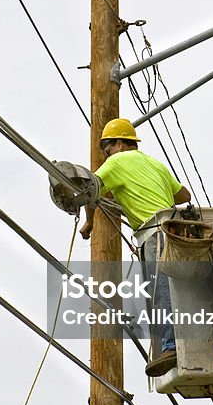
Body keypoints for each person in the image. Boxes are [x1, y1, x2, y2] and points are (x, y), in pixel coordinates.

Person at [80, 118, 191, 376]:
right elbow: (184, 195)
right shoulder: (154, 163)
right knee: (175, 290)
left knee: (160, 290)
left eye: (107, 147)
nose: (105, 153)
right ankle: (182, 343)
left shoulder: (116, 162)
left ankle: (171, 346)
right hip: (177, 231)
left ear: (119, 143)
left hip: (154, 233)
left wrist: (89, 223)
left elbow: (90, 189)